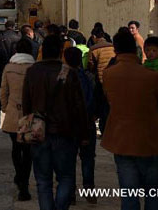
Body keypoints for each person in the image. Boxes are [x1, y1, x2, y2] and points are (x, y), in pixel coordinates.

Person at [102, 31, 158, 210]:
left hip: (121, 140)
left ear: (116, 50)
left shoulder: (109, 75)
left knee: (129, 193)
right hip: (149, 140)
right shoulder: (151, 76)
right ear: (136, 50)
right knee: (153, 191)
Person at [22, 34, 91, 210]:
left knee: (43, 181)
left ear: (42, 50)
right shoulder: (70, 73)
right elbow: (79, 106)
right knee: (66, 177)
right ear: (61, 51)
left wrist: (29, 126)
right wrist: (84, 133)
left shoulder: (32, 72)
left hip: (39, 131)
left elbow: (26, 104)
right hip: (65, 132)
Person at [0, 37, 36, 201]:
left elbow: (3, 90)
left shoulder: (9, 67)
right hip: (29, 113)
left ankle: (19, 176)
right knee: (27, 150)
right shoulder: (34, 68)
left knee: (16, 148)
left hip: (13, 111)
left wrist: (5, 107)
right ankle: (24, 183)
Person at [65, 47, 97, 205]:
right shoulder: (89, 76)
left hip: (69, 124)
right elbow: (95, 97)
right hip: (87, 122)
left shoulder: (62, 77)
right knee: (88, 158)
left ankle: (70, 193)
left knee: (69, 160)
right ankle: (89, 189)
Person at [88, 30, 116, 134]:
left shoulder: (94, 49)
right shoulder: (112, 46)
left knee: (102, 105)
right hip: (113, 79)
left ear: (94, 36)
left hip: (101, 80)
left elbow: (90, 65)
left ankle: (104, 129)